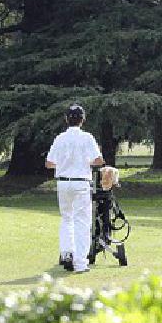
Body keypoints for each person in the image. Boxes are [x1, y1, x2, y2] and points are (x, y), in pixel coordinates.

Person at [45, 104, 104, 273]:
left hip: (63, 182)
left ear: (66, 119)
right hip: (81, 182)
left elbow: (49, 163)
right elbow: (99, 161)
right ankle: (80, 263)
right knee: (82, 222)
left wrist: (65, 163)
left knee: (66, 218)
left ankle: (66, 253)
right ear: (83, 120)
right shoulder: (87, 138)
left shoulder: (60, 138)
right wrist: (85, 161)